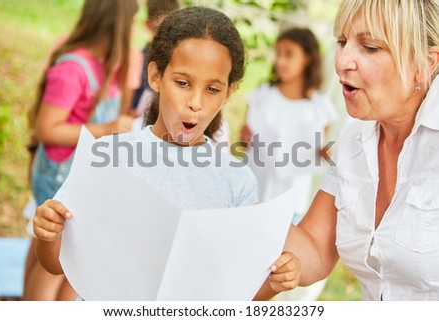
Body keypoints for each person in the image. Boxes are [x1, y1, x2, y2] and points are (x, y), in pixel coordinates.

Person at [32, 6, 301, 300]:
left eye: (212, 89)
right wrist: (49, 234)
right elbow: (56, 263)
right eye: (183, 83)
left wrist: (273, 284)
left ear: (229, 92)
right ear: (156, 76)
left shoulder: (236, 181)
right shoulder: (108, 156)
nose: (195, 103)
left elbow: (236, 295)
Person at [258, 0, 439, 301]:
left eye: (369, 47)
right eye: (342, 42)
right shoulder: (354, 140)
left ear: (427, 63)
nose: (342, 61)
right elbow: (314, 249)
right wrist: (236, 201)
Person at [23, 0, 139, 301]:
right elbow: (47, 127)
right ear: (115, 24)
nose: (134, 32)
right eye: (131, 23)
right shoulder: (73, 68)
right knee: (51, 262)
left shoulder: (106, 67)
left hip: (81, 177)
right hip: (60, 175)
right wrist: (106, 128)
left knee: (73, 263)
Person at [241, 27, 336, 300]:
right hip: (255, 194)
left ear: (307, 58)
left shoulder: (318, 107)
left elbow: (321, 150)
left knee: (279, 272)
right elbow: (243, 141)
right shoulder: (263, 95)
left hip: (290, 202)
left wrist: (324, 153)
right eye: (278, 53)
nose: (280, 61)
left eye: (289, 54)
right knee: (248, 267)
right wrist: (246, 137)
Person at [131, 0, 179, 117]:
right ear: (147, 25)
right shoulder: (139, 59)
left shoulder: (181, 60)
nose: (165, 36)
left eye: (171, 30)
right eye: (158, 29)